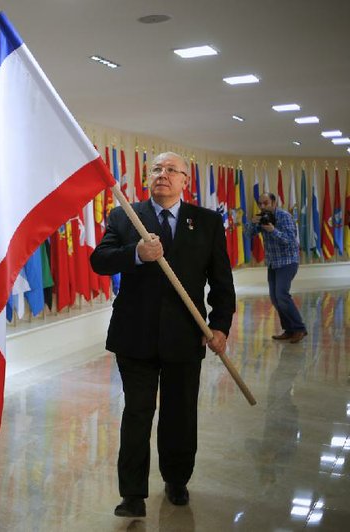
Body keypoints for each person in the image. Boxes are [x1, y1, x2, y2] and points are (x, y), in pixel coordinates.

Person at [90, 152, 236, 518]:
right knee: (137, 413)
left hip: (186, 335)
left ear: (186, 180)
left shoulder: (205, 222)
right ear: (146, 176)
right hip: (134, 336)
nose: (163, 175)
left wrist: (219, 325)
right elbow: (100, 260)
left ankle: (176, 480)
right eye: (157, 169)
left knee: (180, 413)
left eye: (172, 170)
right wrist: (136, 253)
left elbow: (221, 280)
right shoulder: (126, 215)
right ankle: (133, 494)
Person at [250, 192, 307, 343]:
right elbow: (248, 234)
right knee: (275, 299)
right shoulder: (262, 218)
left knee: (282, 295)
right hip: (273, 262)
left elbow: (290, 240)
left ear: (274, 203)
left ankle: (299, 328)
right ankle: (289, 329)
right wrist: (252, 223)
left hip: (288, 261)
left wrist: (272, 230)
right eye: (260, 204)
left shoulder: (284, 216)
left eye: (266, 203)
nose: (262, 206)